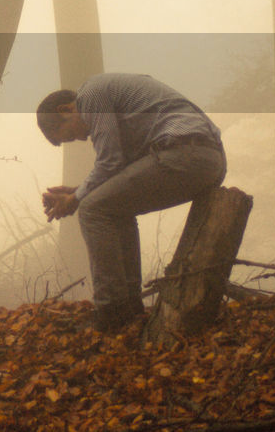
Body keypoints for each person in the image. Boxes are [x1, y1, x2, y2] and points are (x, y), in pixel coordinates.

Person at [36, 73, 226, 333]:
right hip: (203, 157)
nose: (82, 140)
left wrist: (77, 199)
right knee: (111, 209)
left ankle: (111, 312)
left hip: (184, 152)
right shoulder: (113, 98)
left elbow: (110, 162)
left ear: (67, 108)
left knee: (92, 209)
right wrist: (79, 190)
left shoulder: (90, 94)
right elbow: (120, 169)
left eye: (70, 134)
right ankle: (129, 310)